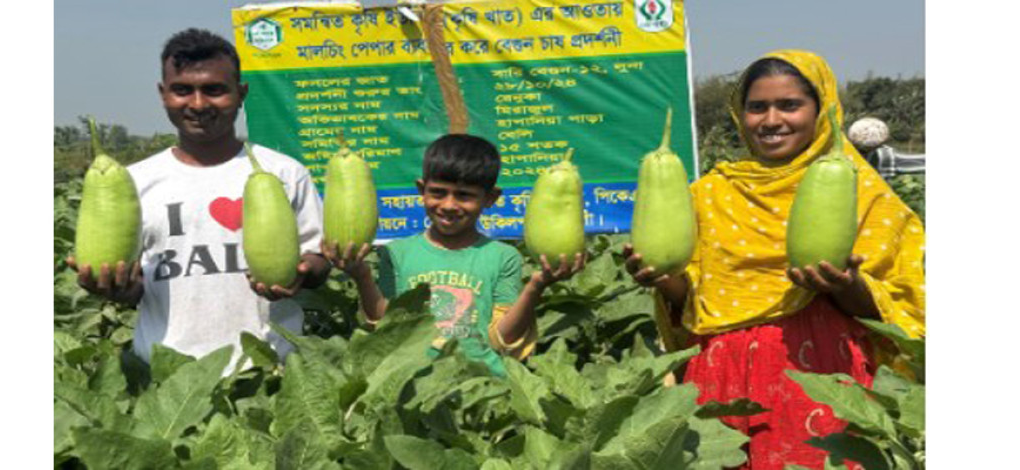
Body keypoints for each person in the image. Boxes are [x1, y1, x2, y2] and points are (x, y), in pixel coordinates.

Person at [624, 50, 925, 469]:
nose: (770, 120)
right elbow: (690, 300)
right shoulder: (709, 193)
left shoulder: (864, 192)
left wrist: (847, 285)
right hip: (720, 373)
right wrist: (658, 278)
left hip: (819, 378)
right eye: (756, 107)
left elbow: (893, 311)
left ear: (822, 110)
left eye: (789, 105)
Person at [67, 28, 331, 370]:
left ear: (241, 93)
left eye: (214, 90)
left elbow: (319, 258)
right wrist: (118, 290)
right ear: (163, 94)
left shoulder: (285, 173)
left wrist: (304, 273)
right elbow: (140, 287)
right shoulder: (132, 182)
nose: (197, 104)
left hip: (269, 369)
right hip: (168, 372)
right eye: (182, 90)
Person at [323, 134, 584, 377]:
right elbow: (385, 326)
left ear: (491, 198)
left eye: (464, 196)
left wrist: (537, 286)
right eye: (438, 192)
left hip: (482, 384)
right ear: (421, 190)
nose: (449, 205)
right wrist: (361, 276)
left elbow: (499, 339)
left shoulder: (505, 257)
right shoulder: (395, 253)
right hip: (410, 384)